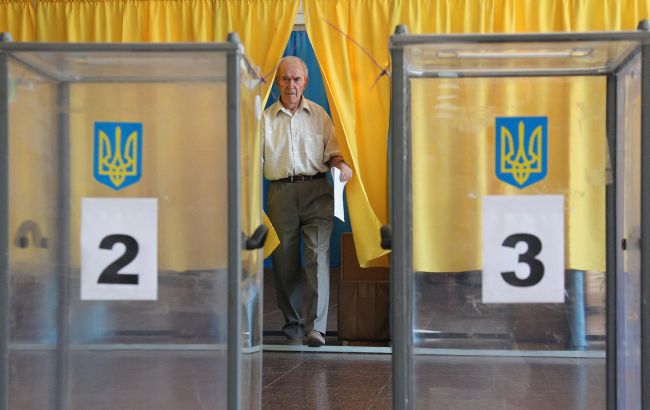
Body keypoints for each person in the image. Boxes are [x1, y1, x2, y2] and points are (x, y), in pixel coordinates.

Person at [262, 56, 353, 347]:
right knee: (284, 263)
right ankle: (293, 327)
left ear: (306, 82)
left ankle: (317, 329)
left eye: (296, 79)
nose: (291, 85)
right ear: (277, 82)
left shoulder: (319, 115)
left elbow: (333, 153)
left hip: (317, 192)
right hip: (280, 193)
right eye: (285, 79)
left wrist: (341, 165)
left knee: (317, 258)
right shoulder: (264, 119)